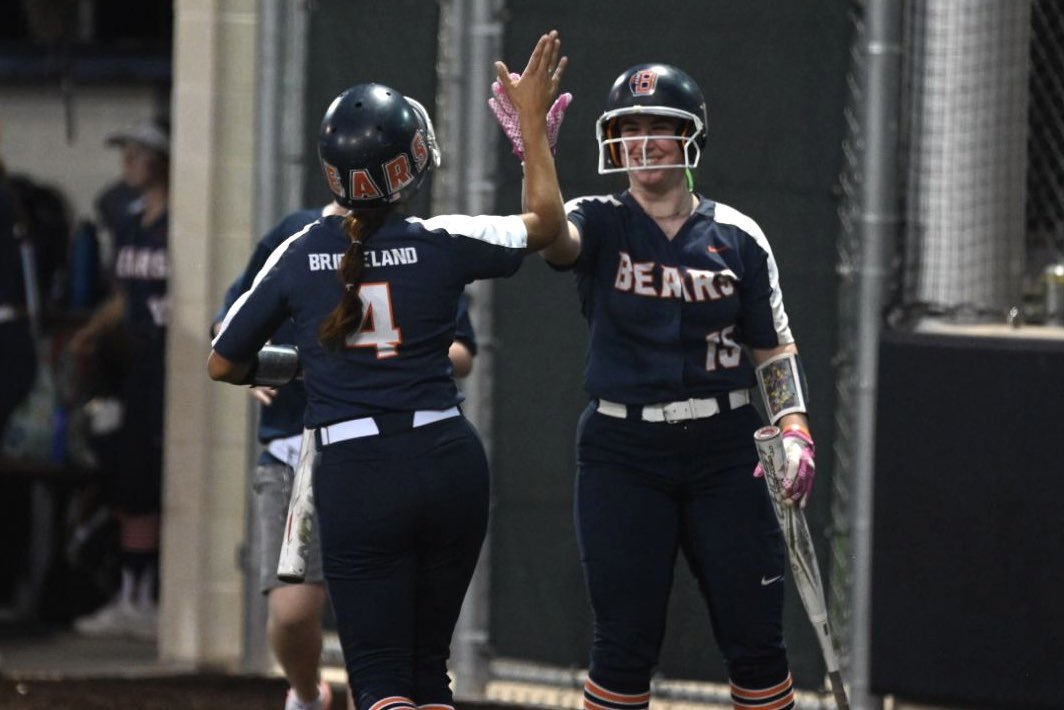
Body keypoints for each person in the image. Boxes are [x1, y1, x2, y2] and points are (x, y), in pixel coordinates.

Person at [208, 31, 567, 710]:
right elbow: (545, 224)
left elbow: (223, 360)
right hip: (445, 457)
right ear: (412, 165)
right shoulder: (439, 242)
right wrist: (530, 128)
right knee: (430, 674)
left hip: (356, 471)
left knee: (379, 683)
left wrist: (305, 367)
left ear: (331, 171)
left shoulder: (296, 251)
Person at [494, 63, 815, 709]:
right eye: (627, 127)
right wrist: (536, 150)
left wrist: (795, 427)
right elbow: (550, 236)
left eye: (659, 127)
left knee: (756, 642)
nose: (642, 142)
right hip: (623, 451)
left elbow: (771, 347)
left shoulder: (739, 236)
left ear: (691, 137)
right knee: (622, 644)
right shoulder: (599, 219)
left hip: (726, 451)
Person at [212, 203, 479, 710]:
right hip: (300, 446)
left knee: (388, 645)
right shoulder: (298, 238)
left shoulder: (422, 241)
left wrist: (385, 358)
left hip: (388, 447)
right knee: (293, 612)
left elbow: (463, 348)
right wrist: (266, 368)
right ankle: (310, 694)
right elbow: (227, 338)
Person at [69, 117, 171, 640]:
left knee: (157, 476)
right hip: (132, 361)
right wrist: (91, 332)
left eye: (138, 152)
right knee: (128, 475)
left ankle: (153, 593)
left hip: (168, 362)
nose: (128, 162)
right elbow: (124, 296)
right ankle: (131, 592)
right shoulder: (132, 220)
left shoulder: (178, 219)